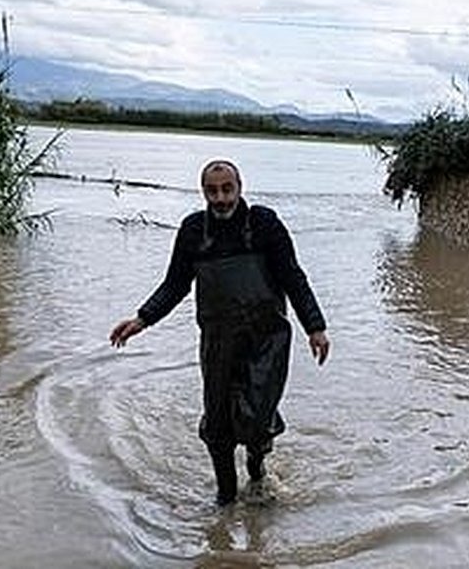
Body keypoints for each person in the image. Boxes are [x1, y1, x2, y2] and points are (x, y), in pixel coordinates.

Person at [109, 159, 330, 506]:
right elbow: (175, 285)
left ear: (240, 188)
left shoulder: (264, 224)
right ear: (203, 192)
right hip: (218, 341)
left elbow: (292, 277)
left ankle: (257, 467)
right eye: (212, 191)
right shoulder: (193, 231)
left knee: (258, 420)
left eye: (227, 189)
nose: (221, 198)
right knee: (218, 425)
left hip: (267, 340)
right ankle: (225, 499)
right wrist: (142, 319)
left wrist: (315, 327)